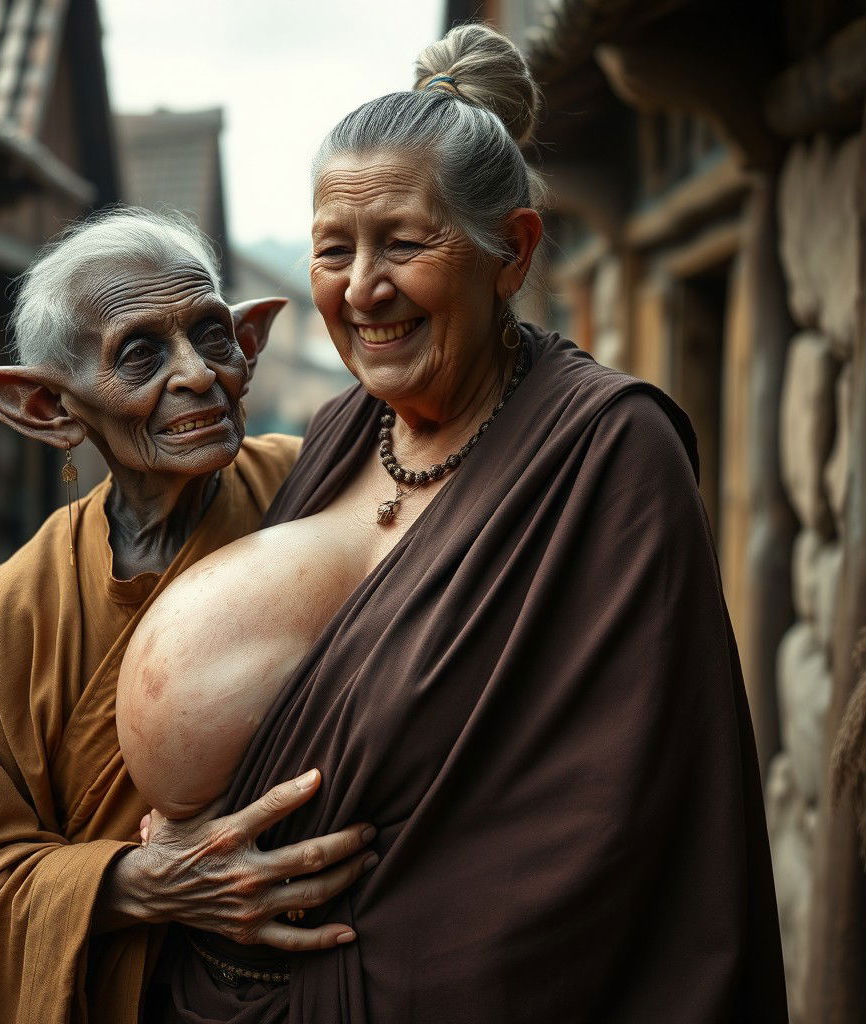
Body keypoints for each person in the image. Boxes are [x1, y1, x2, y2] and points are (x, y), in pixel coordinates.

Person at [118, 24, 790, 1023]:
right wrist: (154, 875)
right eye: (332, 250)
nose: (360, 289)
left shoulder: (609, 452)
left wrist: (350, 972)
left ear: (509, 252)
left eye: (403, 242)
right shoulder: (341, 431)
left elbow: (611, 824)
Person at [0, 209, 378, 1024]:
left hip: (345, 966)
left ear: (249, 344)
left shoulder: (322, 487)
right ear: (46, 410)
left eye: (210, 335)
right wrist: (153, 884)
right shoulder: (21, 608)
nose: (198, 375)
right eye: (140, 354)